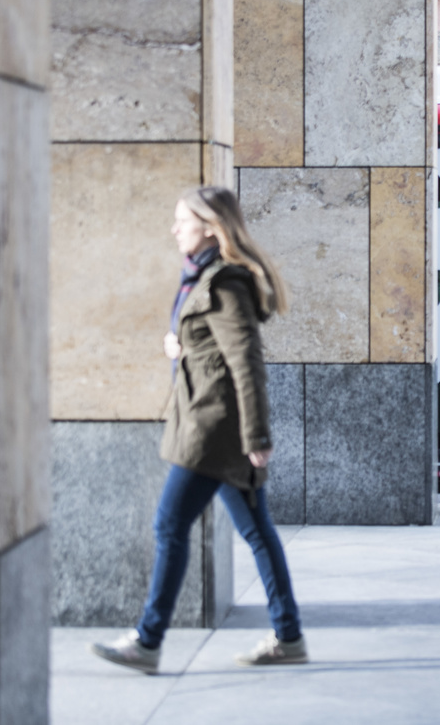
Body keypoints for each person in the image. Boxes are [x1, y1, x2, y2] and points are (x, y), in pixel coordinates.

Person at [90, 186, 307, 673]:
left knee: (170, 526)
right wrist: (179, 347)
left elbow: (246, 364)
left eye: (181, 221)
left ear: (210, 225)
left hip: (214, 430)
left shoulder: (225, 283)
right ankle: (289, 636)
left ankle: (147, 642)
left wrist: (257, 438)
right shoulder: (204, 276)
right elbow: (210, 347)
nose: (174, 229)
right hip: (208, 422)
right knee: (257, 532)